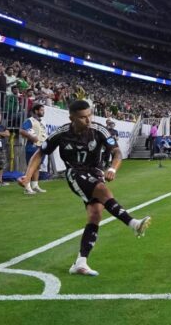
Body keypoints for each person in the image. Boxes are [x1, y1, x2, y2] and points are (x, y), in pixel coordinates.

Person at [19, 100, 151, 276]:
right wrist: (27, 177)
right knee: (103, 191)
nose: (88, 120)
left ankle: (80, 263)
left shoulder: (99, 130)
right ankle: (133, 223)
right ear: (72, 117)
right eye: (83, 117)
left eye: (90, 115)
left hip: (95, 172)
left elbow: (117, 152)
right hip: (74, 172)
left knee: (95, 214)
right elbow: (40, 152)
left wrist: (112, 168)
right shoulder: (62, 133)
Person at [18, 104, 48, 195]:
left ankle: (35, 186)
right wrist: (31, 137)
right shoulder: (30, 120)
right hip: (32, 147)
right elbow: (22, 130)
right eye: (41, 110)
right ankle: (27, 187)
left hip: (41, 147)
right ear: (36, 111)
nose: (43, 112)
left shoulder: (41, 122)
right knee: (31, 167)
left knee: (37, 167)